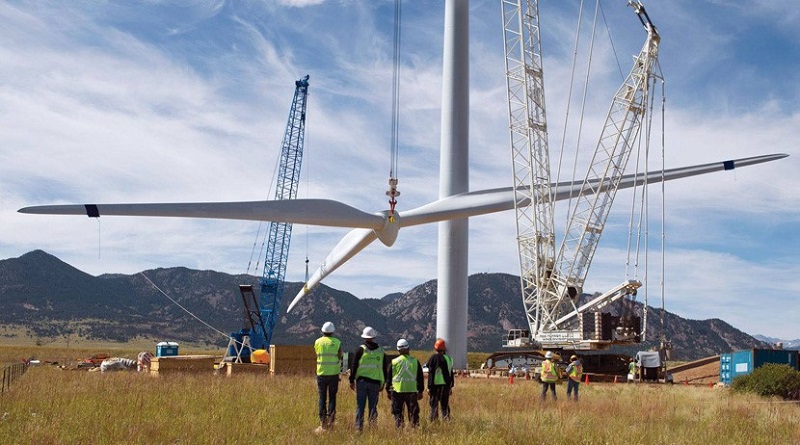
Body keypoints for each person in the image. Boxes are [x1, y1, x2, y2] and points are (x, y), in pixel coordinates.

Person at [349, 326, 390, 432]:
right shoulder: (381, 351)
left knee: (360, 406)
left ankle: (359, 428)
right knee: (373, 407)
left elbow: (354, 365)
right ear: (374, 337)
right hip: (375, 383)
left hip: (362, 382)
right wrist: (383, 383)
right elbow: (384, 368)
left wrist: (351, 380)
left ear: (364, 337)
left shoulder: (360, 350)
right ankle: (373, 428)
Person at [314, 321, 343, 433]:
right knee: (332, 398)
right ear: (333, 331)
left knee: (322, 398)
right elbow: (340, 356)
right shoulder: (337, 342)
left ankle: (323, 422)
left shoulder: (317, 342)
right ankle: (331, 421)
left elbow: (317, 353)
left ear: (322, 331)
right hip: (334, 374)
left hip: (321, 373)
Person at [388, 338, 424, 429]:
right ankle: (414, 429)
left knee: (398, 413)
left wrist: (388, 390)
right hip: (411, 391)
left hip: (397, 391)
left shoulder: (393, 362)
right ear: (408, 348)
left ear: (398, 350)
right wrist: (420, 390)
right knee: (413, 413)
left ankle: (399, 430)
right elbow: (420, 377)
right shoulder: (415, 361)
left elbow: (389, 378)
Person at [425, 338, 454, 421]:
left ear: (435, 348)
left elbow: (431, 373)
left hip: (435, 386)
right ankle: (447, 420)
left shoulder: (433, 358)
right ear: (444, 348)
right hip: (446, 386)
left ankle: (434, 421)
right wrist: (451, 386)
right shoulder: (449, 359)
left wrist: (429, 387)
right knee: (444, 405)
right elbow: (451, 373)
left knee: (434, 405)